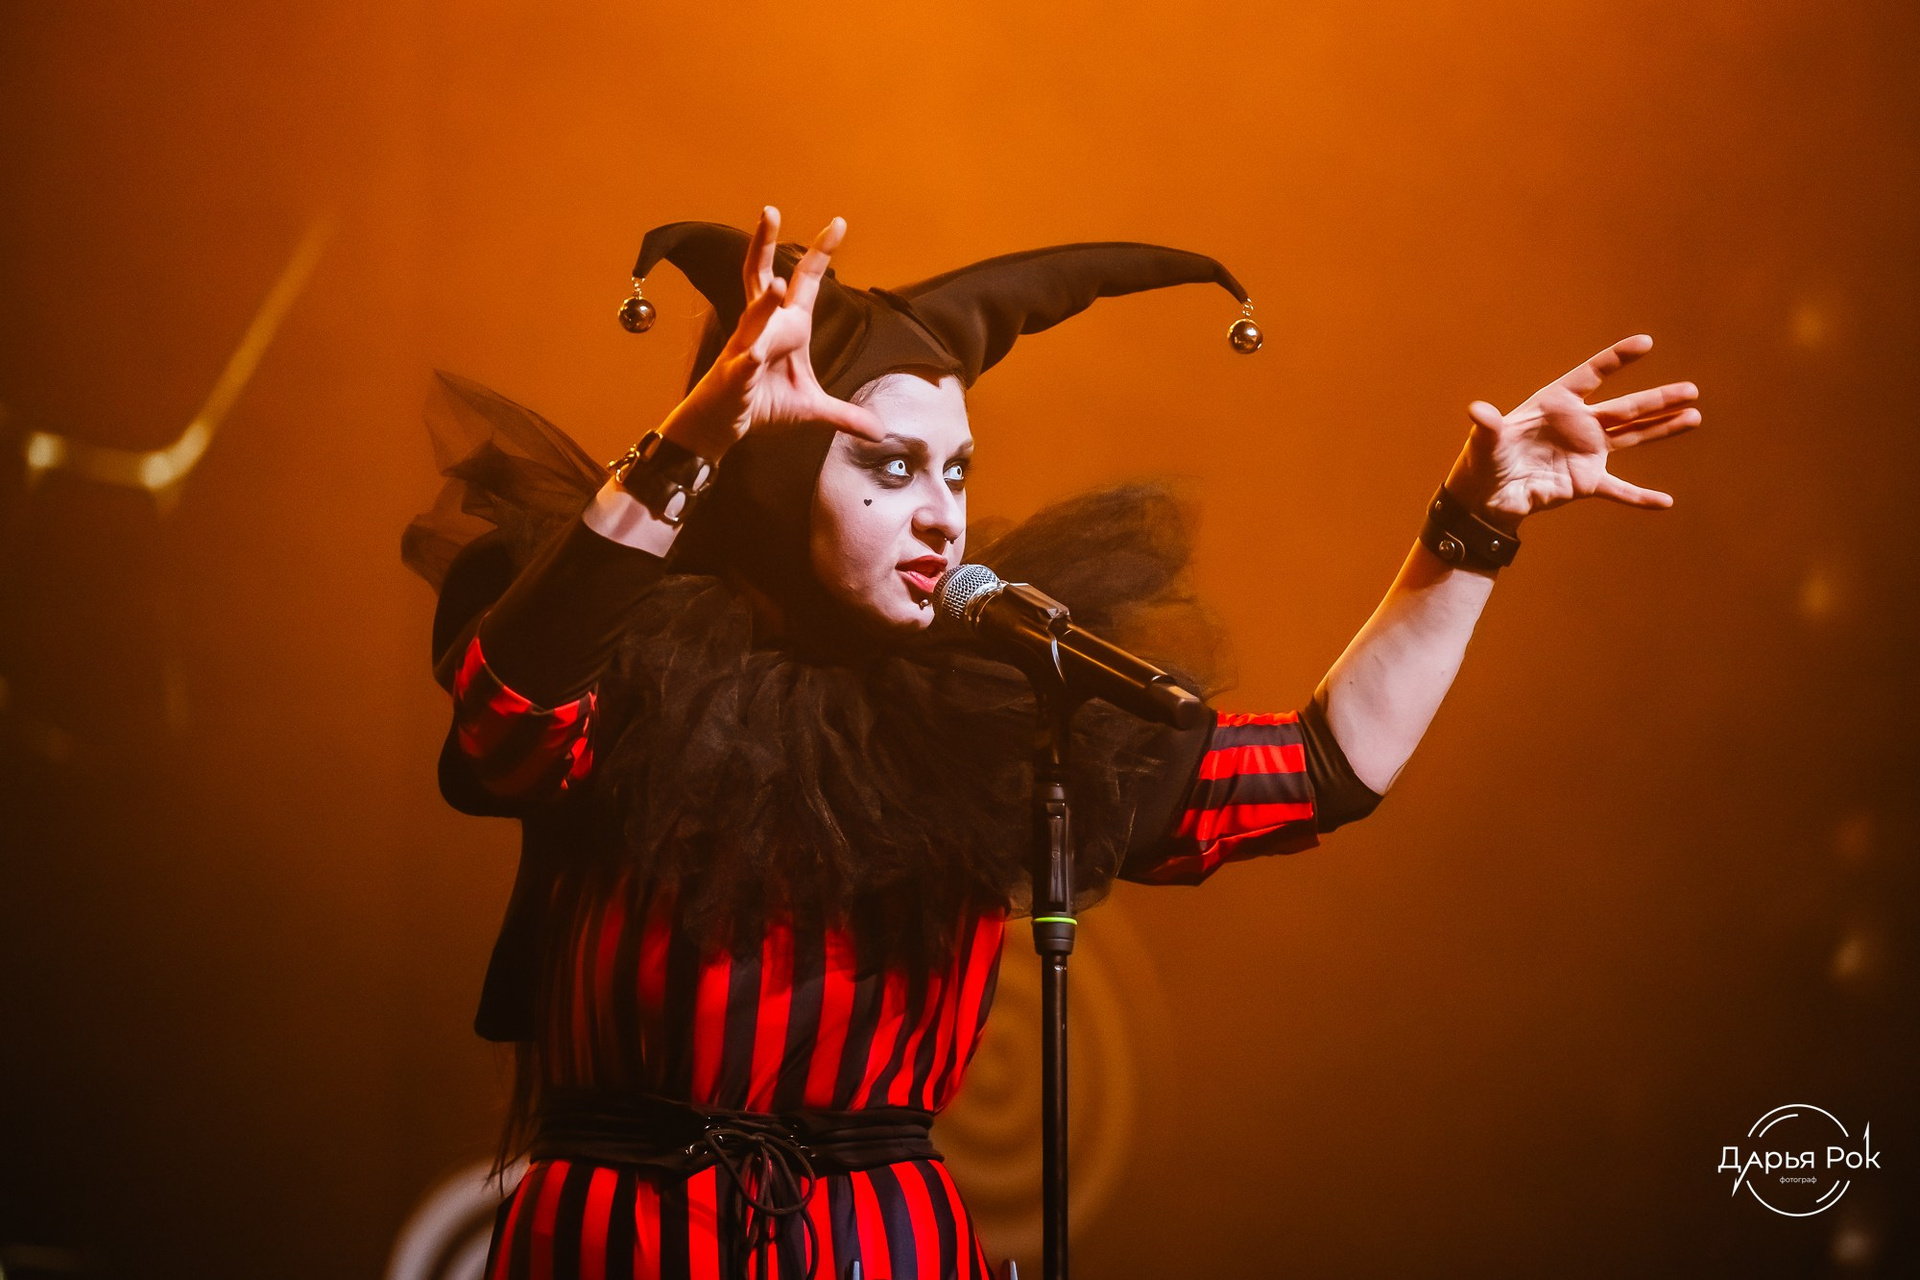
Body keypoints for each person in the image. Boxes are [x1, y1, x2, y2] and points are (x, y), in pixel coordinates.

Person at [402, 207, 1700, 1280]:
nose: (941, 517)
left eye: (956, 471)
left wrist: (1471, 529)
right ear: (773, 472)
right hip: (617, 1245)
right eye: (891, 469)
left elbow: (1315, 770)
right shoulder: (630, 653)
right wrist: (697, 437)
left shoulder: (991, 704)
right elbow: (503, 719)